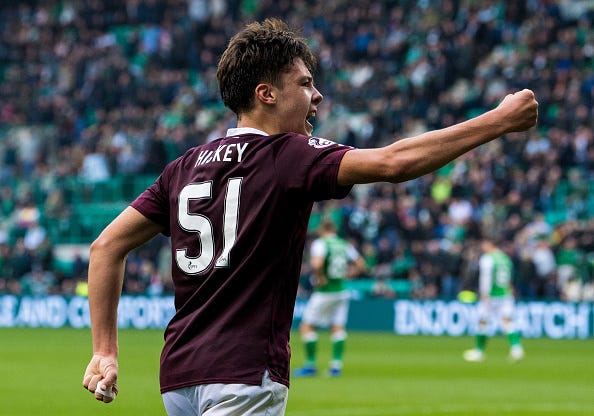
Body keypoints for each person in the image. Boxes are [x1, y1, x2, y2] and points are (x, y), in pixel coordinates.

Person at [82, 18, 538, 414]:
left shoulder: (182, 167)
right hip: (243, 374)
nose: (317, 95)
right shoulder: (286, 154)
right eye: (304, 84)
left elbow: (105, 247)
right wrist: (497, 121)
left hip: (179, 376)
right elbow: (393, 163)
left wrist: (104, 351)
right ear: (266, 94)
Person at [294, 219, 366, 377]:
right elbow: (361, 263)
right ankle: (336, 366)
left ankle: (310, 365)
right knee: (337, 327)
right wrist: (349, 274)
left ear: (322, 229)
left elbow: (317, 265)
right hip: (341, 290)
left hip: (324, 291)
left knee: (307, 326)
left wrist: (320, 277)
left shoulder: (321, 244)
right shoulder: (344, 244)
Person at [463, 238, 525, 362]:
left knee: (482, 321)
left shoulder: (488, 259)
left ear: (490, 244)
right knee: (507, 321)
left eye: (484, 244)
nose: (483, 247)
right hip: (505, 294)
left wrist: (484, 293)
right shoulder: (505, 258)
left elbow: (486, 277)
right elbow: (510, 277)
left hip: (491, 295)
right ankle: (516, 349)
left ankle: (479, 351)